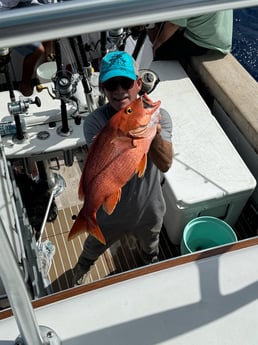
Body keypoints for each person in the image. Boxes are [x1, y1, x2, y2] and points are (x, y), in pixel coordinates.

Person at [72, 51, 173, 286]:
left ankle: (150, 260)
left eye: (126, 82)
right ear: (103, 88)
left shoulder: (159, 117)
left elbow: (165, 164)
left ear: (138, 84)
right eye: (111, 84)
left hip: (150, 207)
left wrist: (152, 131)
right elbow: (104, 165)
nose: (119, 90)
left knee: (151, 243)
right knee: (94, 244)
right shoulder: (95, 122)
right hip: (110, 213)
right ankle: (83, 265)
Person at [150, 10, 233, 61]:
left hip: (201, 41)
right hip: (221, 32)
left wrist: (157, 44)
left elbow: (173, 25)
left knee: (151, 50)